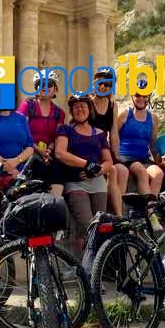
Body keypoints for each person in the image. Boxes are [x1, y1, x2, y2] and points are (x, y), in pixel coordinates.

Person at [55, 95, 114, 253]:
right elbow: (60, 153)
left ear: (90, 109)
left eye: (83, 106)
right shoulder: (65, 129)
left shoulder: (99, 133)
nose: (79, 109)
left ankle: (97, 263)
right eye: (76, 107)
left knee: (100, 226)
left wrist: (96, 170)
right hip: (75, 183)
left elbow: (108, 161)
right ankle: (82, 264)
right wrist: (87, 165)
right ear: (71, 111)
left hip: (98, 183)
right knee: (86, 225)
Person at [16, 70, 66, 194]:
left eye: (49, 84)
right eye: (41, 84)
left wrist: (48, 151)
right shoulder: (27, 105)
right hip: (28, 150)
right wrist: (38, 150)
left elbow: (57, 137)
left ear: (55, 89)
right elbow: (20, 132)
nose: (45, 87)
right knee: (36, 165)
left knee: (58, 169)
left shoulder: (59, 113)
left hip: (47, 153)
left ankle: (54, 200)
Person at [114, 81, 164, 197]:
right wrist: (114, 156)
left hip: (143, 158)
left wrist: (158, 161)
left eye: (144, 95)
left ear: (149, 97)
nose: (141, 98)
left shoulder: (153, 118)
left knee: (158, 174)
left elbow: (152, 142)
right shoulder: (125, 114)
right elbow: (113, 136)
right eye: (137, 95)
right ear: (132, 96)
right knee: (141, 171)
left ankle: (152, 206)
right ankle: (149, 206)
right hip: (125, 157)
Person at [90, 68, 124, 215]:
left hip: (104, 149)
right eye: (100, 83)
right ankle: (118, 215)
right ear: (94, 83)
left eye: (107, 84)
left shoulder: (112, 105)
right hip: (90, 148)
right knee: (113, 171)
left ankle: (115, 212)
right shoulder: (87, 102)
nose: (103, 87)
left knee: (122, 170)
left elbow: (114, 132)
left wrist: (116, 155)